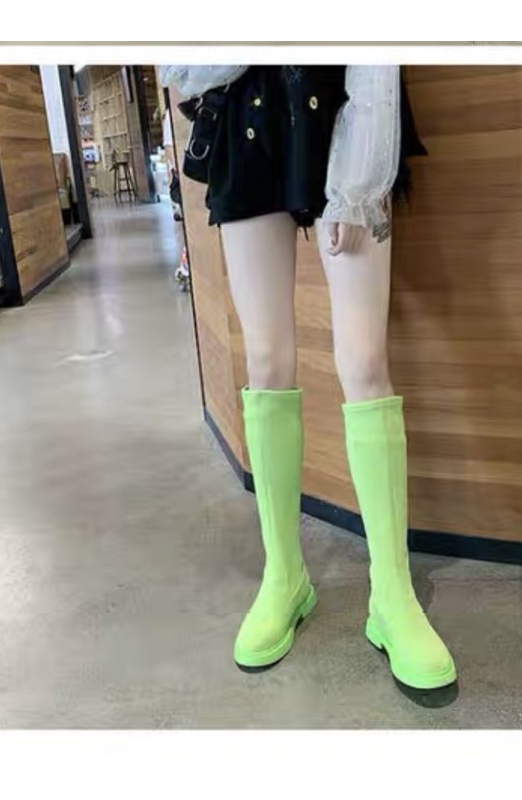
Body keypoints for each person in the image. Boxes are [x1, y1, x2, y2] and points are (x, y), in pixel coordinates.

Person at [161, 64, 456, 692]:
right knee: (266, 361)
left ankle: (392, 593)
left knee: (365, 362)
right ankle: (284, 577)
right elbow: (181, 67)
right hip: (246, 121)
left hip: (350, 115)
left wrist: (357, 185)